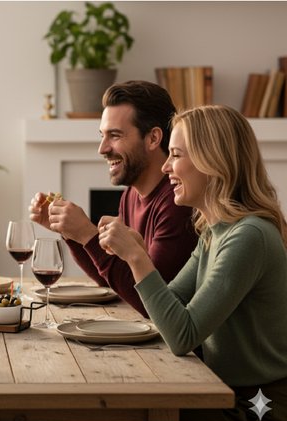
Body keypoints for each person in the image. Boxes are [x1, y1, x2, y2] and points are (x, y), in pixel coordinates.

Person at [98, 104, 287, 421]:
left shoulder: (249, 236)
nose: (166, 167)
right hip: (223, 390)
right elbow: (167, 310)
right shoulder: (215, 230)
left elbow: (182, 335)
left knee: (111, 416)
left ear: (213, 162)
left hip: (257, 407)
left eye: (176, 155)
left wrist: (137, 258)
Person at [30, 81, 194, 316]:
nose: (102, 148)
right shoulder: (130, 196)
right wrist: (72, 233)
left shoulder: (178, 202)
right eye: (102, 136)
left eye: (114, 135)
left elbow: (154, 303)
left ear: (153, 138)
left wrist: (87, 233)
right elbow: (114, 281)